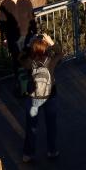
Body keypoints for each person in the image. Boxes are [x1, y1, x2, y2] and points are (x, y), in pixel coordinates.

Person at [19, 33, 63, 162]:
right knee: (51, 125)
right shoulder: (51, 61)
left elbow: (20, 57)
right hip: (50, 95)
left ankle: (28, 154)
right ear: (46, 48)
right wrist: (51, 42)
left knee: (31, 126)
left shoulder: (28, 62)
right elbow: (60, 54)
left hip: (33, 97)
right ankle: (52, 151)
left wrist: (28, 45)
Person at [0, 0, 35, 69]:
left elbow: (32, 18)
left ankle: (30, 79)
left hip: (27, 36)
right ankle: (19, 81)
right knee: (16, 60)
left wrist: (35, 33)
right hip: (12, 38)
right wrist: (4, 38)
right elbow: (2, 23)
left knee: (29, 59)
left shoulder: (26, 1)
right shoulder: (4, 4)